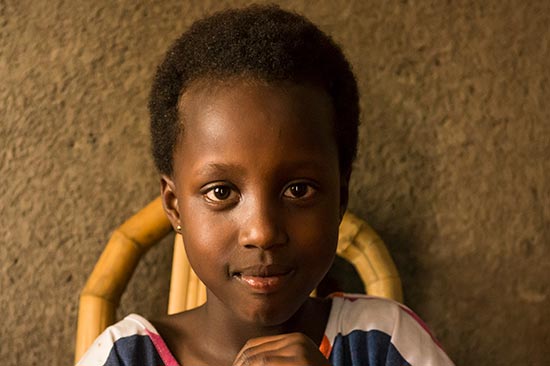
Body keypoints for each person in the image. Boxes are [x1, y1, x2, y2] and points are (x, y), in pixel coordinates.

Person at [77, 4, 454, 366]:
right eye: (221, 192)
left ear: (340, 199)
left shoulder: (384, 341)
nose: (262, 231)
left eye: (298, 190)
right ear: (175, 206)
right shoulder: (122, 357)